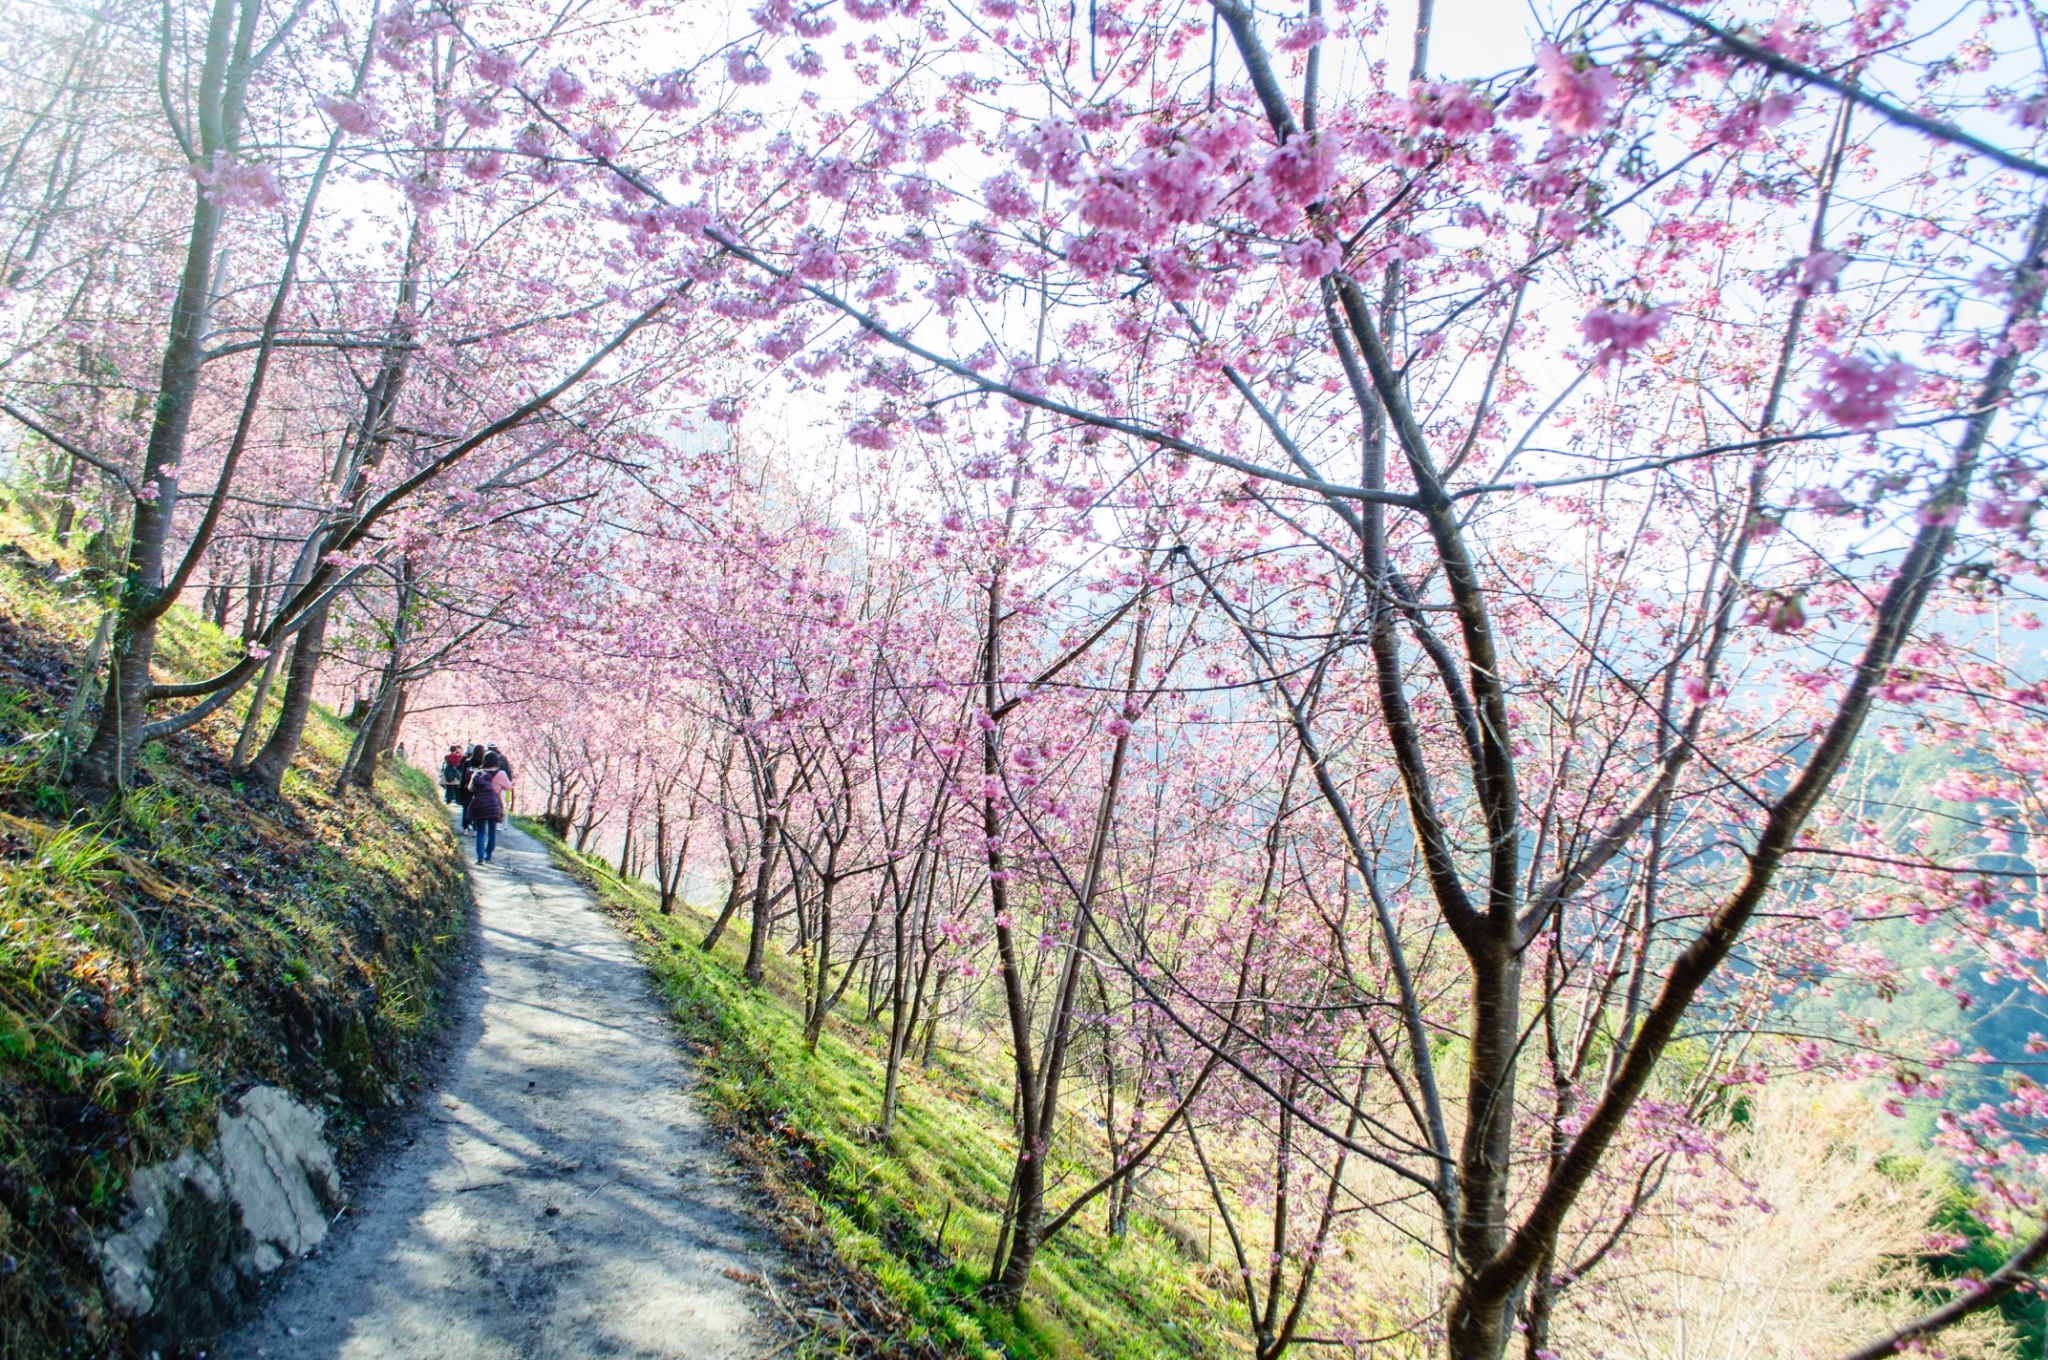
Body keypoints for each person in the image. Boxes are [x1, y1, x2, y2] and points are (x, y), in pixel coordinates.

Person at [467, 754, 510, 864]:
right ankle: (488, 854)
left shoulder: (479, 773)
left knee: (480, 830)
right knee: (492, 830)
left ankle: (480, 857)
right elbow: (509, 787)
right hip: (494, 804)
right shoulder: (501, 774)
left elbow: (470, 788)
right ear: (497, 762)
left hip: (480, 803)